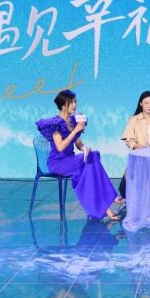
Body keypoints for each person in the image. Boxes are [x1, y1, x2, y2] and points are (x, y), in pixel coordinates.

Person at [35, 90, 120, 221]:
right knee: (92, 159)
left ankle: (105, 207)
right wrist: (75, 131)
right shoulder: (55, 124)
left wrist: (84, 148)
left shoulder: (73, 121)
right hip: (58, 163)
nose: (74, 105)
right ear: (63, 105)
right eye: (71, 102)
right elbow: (60, 147)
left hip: (70, 160)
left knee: (91, 161)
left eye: (75, 102)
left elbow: (78, 143)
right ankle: (110, 197)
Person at [118, 90, 150, 198]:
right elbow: (129, 140)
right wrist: (139, 146)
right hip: (139, 158)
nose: (149, 106)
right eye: (146, 103)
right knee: (125, 188)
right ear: (140, 103)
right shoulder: (134, 120)